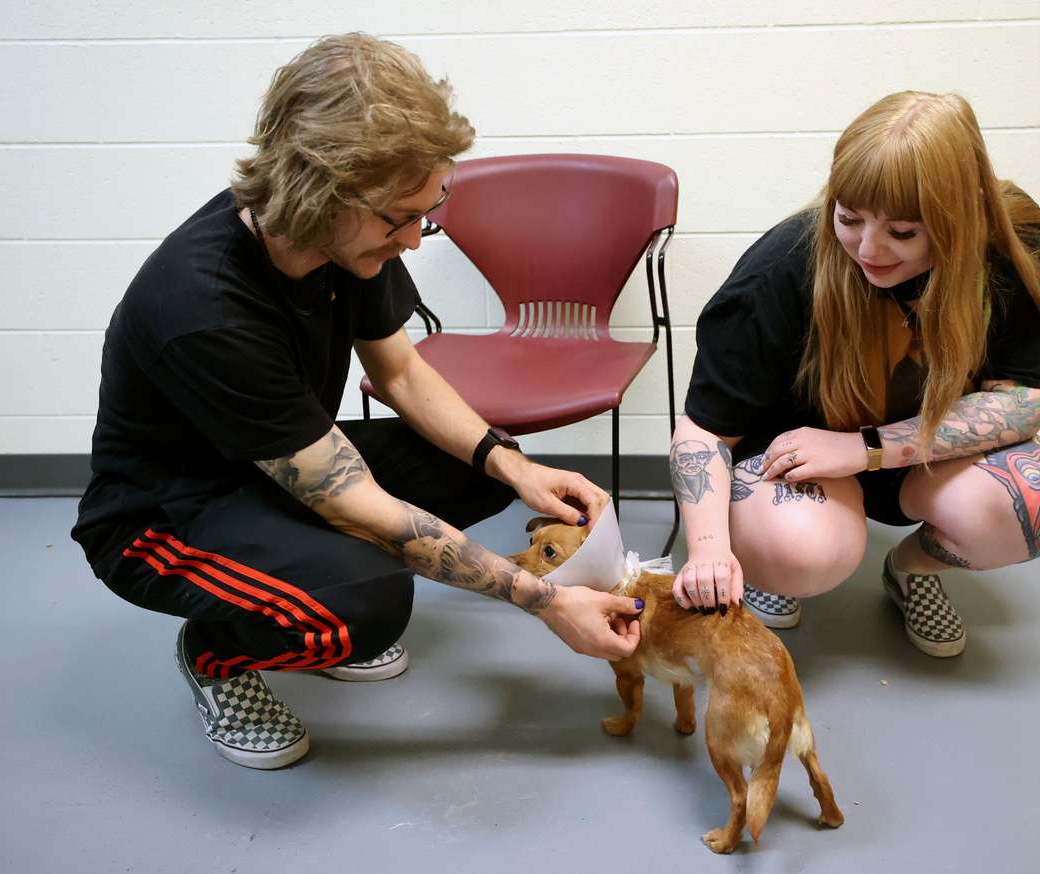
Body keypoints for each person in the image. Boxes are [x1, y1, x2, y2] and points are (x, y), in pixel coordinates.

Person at [70, 33, 643, 770]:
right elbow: (348, 501)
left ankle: (307, 582)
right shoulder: (204, 305)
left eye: (427, 209)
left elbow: (401, 373)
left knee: (475, 467)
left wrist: (512, 466)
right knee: (369, 604)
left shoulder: (346, 237)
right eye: (398, 218)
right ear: (318, 193)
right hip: (165, 515)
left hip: (269, 464)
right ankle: (217, 655)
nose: (412, 238)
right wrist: (546, 601)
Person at [670, 91, 1040, 652]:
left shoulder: (1013, 246)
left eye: (903, 233)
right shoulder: (781, 269)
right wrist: (709, 550)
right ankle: (774, 564)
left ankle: (913, 571)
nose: (868, 248)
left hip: (912, 454)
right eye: (849, 218)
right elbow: (705, 431)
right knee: (803, 553)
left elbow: (1023, 398)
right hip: (793, 456)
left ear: (963, 215)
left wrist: (867, 448)